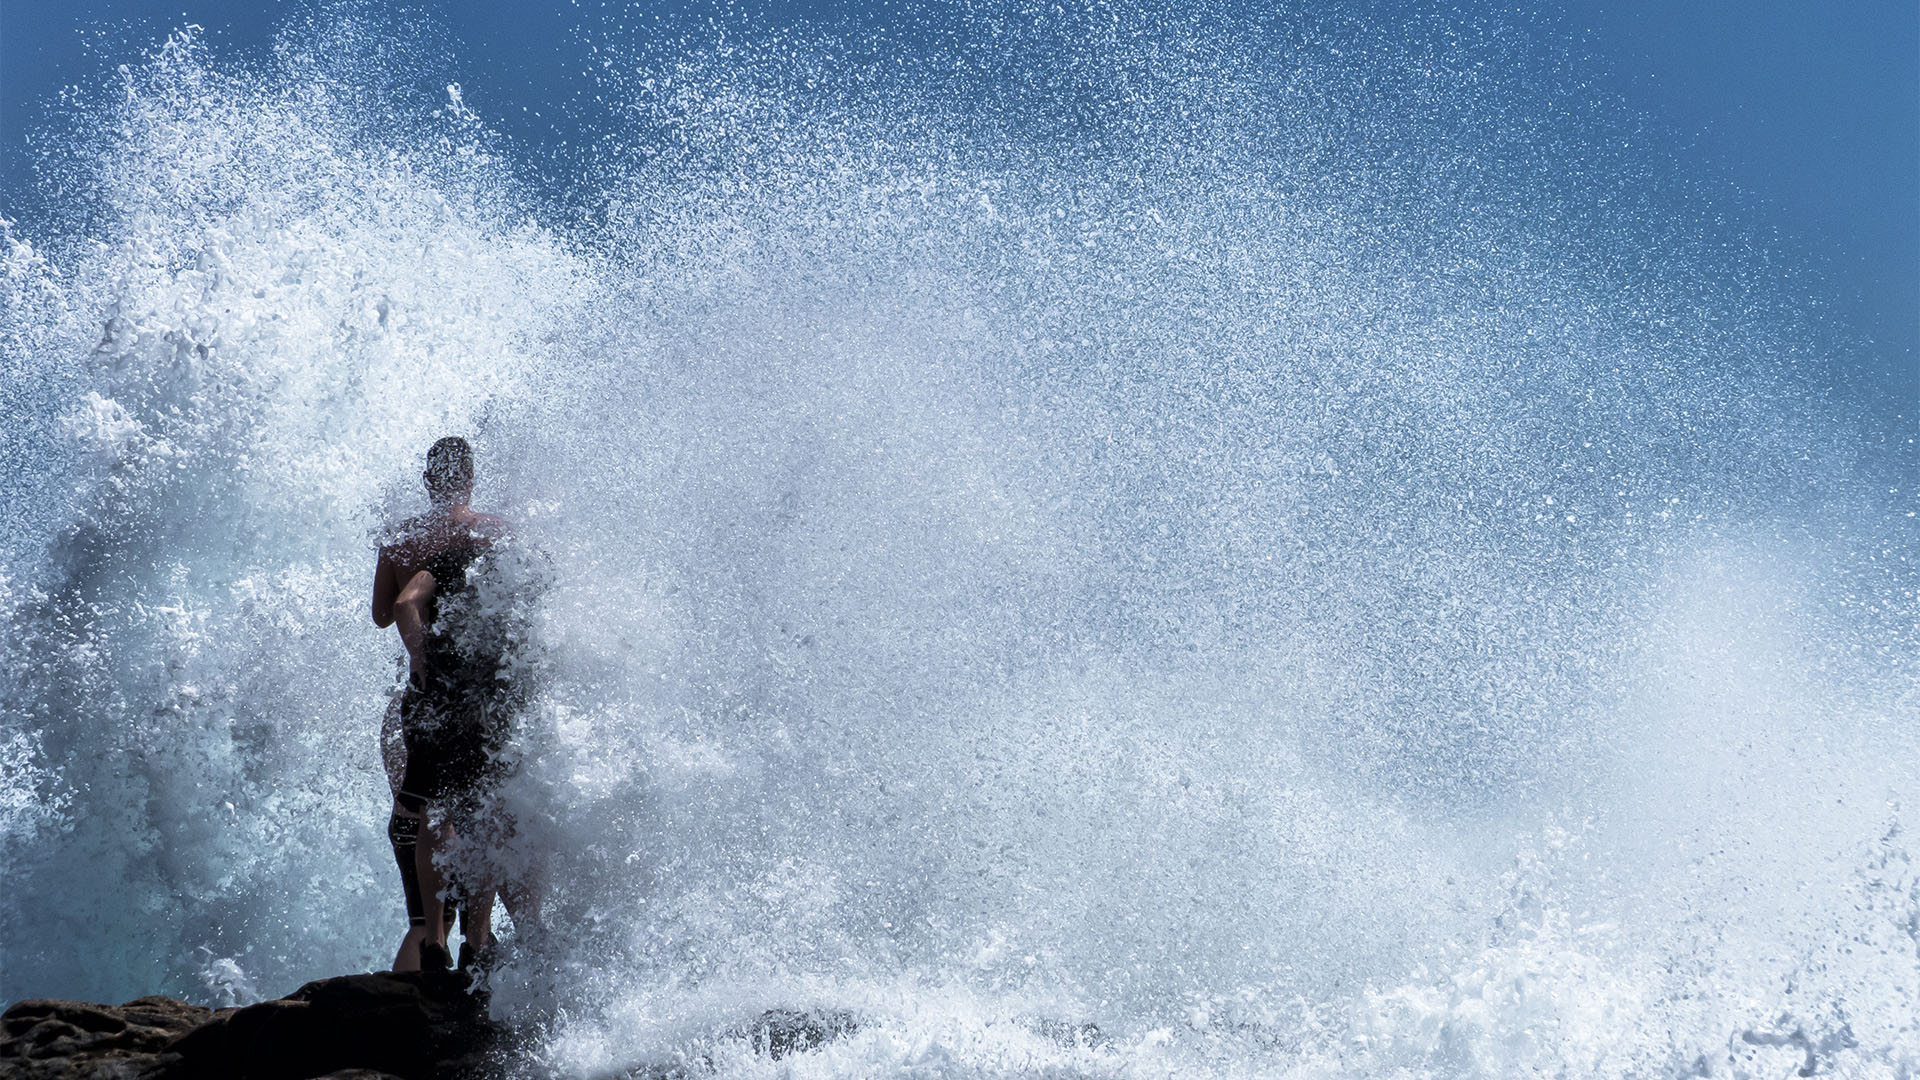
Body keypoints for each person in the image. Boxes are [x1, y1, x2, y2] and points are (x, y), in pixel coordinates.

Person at [369, 436, 519, 972]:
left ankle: (430, 932)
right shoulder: (498, 531)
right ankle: (477, 942)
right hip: (487, 693)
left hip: (421, 692)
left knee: (419, 817)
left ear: (428, 480)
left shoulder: (402, 537)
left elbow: (384, 614)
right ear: (471, 478)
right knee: (483, 812)